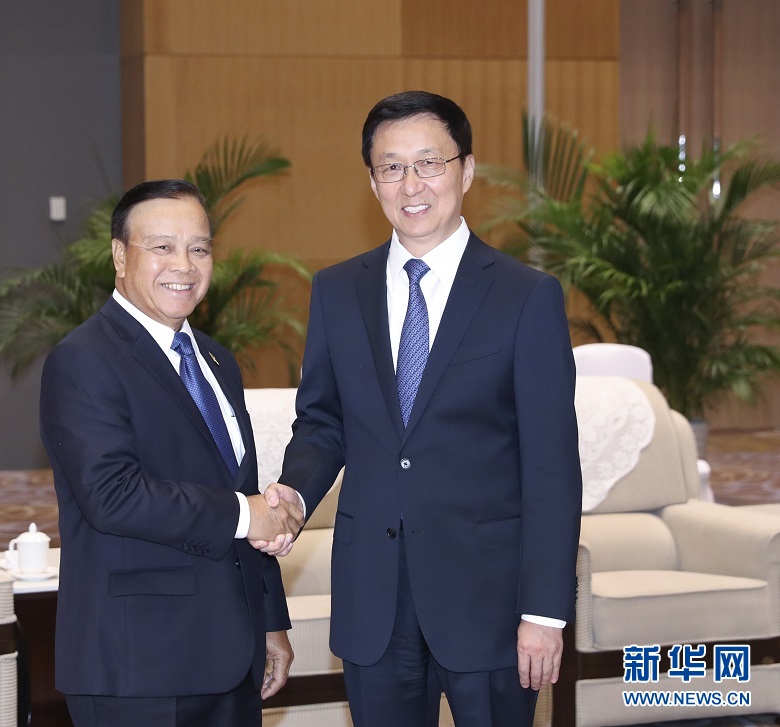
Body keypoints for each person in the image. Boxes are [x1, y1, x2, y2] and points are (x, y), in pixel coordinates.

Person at [277, 91, 582, 725]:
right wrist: (296, 496)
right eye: (391, 167)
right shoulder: (337, 290)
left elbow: (551, 466)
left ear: (466, 171)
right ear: (372, 181)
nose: (410, 184)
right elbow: (324, 422)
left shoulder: (526, 296)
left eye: (429, 163)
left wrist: (544, 612)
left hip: (490, 605)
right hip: (374, 601)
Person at [39, 179, 305, 727]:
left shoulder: (217, 361)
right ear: (120, 256)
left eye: (199, 248)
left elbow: (240, 487)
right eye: (162, 246)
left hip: (232, 658)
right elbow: (113, 496)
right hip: (140, 666)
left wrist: (269, 620)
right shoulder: (84, 359)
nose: (183, 265)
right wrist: (245, 514)